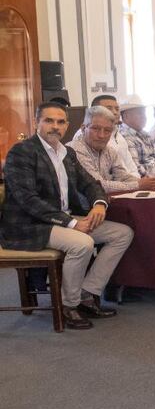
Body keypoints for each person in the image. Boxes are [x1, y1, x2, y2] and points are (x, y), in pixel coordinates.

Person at [0, 102, 134, 330]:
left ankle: (86, 294)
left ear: (68, 126)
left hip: (63, 219)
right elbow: (28, 201)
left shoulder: (66, 153)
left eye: (60, 122)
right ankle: (68, 306)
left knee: (122, 233)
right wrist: (71, 223)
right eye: (49, 121)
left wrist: (99, 203)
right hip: (29, 225)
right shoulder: (21, 152)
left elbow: (90, 183)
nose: (55, 127)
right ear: (36, 123)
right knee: (82, 243)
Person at [68, 106, 155, 193]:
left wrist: (148, 183)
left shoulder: (109, 151)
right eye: (95, 128)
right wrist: (137, 185)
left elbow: (122, 176)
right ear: (83, 128)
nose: (101, 135)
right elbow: (97, 185)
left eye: (107, 130)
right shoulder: (75, 149)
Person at [72, 94, 140, 176]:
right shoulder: (84, 134)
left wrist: (137, 183)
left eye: (117, 109)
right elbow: (96, 181)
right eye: (109, 108)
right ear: (96, 110)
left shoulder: (118, 136)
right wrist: (136, 185)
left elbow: (131, 168)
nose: (115, 112)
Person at [118, 100, 155, 177]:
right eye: (140, 113)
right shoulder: (123, 136)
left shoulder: (146, 134)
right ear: (126, 116)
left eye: (144, 113)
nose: (144, 117)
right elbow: (136, 169)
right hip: (144, 182)